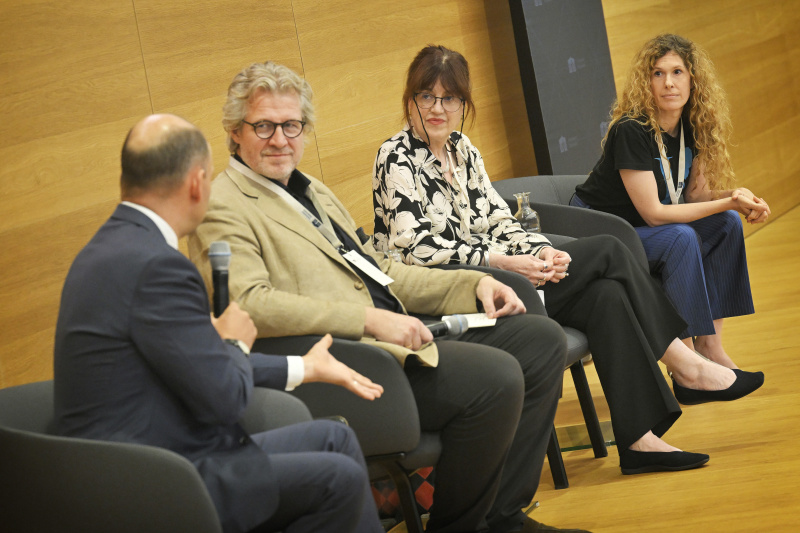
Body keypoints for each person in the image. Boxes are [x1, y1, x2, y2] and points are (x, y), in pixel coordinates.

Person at [189, 61, 590, 533]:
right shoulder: (222, 204)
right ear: (236, 132)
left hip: (403, 336)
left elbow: (379, 269)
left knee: (539, 340)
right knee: (498, 377)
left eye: (292, 125)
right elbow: (250, 304)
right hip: (349, 364)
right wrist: (368, 320)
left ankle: (501, 516)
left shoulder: (309, 189)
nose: (280, 139)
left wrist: (472, 282)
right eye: (264, 126)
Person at [371, 45, 764, 475]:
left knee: (608, 295)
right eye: (426, 97)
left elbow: (500, 218)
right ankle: (686, 365)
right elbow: (418, 250)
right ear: (410, 99)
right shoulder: (396, 157)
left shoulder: (464, 150)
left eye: (450, 99)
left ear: (464, 104)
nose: (437, 109)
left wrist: (539, 251)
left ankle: (639, 442)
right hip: (456, 292)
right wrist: (505, 261)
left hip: (508, 280)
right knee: (611, 250)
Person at [53, 114, 386, 533]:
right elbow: (225, 398)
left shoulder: (108, 249)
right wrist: (235, 344)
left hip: (124, 460)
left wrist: (305, 367)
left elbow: (200, 363)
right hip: (150, 477)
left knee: (334, 440)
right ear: (197, 183)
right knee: (340, 482)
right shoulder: (158, 267)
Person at [572, 34, 770, 370]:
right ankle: (686, 363)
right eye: (658, 73)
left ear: (693, 80)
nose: (668, 83)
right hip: (602, 232)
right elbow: (654, 214)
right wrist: (726, 203)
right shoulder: (632, 129)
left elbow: (694, 197)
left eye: (677, 72)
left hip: (642, 226)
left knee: (727, 224)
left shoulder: (694, 125)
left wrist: (735, 197)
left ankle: (710, 346)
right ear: (645, 82)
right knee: (681, 236)